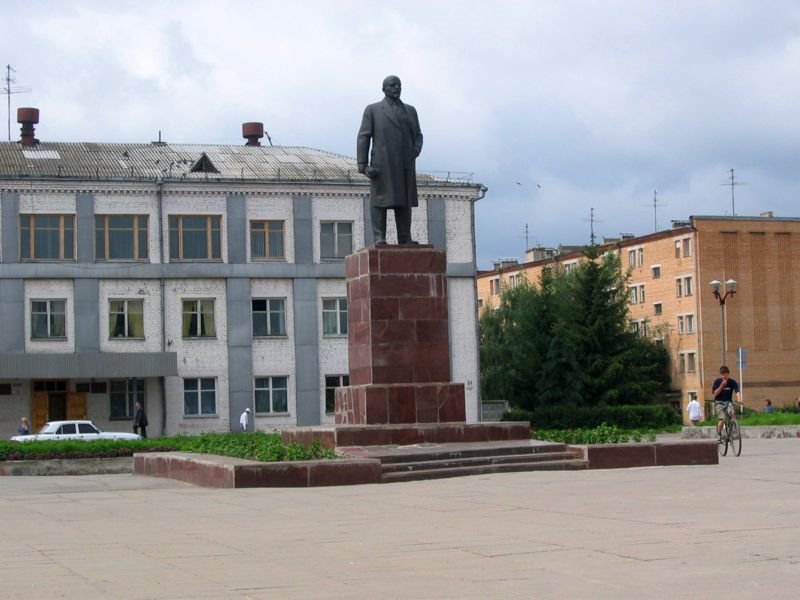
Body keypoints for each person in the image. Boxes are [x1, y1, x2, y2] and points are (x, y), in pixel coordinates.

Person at [357, 75, 423, 245]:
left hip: (405, 163)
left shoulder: (410, 111)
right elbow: (364, 136)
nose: (396, 88)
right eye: (392, 85)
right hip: (382, 164)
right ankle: (379, 237)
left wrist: (415, 150)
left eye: (398, 85)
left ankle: (405, 237)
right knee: (380, 201)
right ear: (384, 89)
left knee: (404, 201)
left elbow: (418, 135)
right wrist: (363, 165)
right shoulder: (373, 109)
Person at [711, 365, 742, 440]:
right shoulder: (717, 382)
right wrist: (721, 386)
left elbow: (737, 391)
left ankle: (733, 431)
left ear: (728, 374)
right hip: (719, 403)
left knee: (732, 413)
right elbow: (715, 393)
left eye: (725, 374)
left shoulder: (732, 382)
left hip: (728, 403)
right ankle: (719, 434)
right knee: (722, 419)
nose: (723, 376)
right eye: (722, 374)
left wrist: (739, 399)